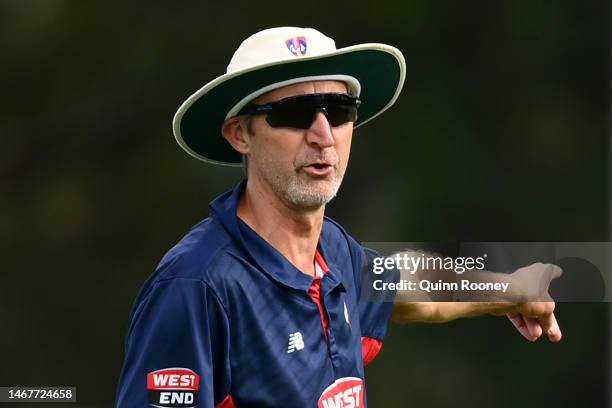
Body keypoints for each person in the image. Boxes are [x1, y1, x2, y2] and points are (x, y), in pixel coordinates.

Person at [116, 27, 561, 408]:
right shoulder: (195, 286)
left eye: (340, 111)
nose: (323, 135)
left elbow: (412, 287)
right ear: (240, 134)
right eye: (293, 114)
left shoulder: (335, 252)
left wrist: (511, 288)